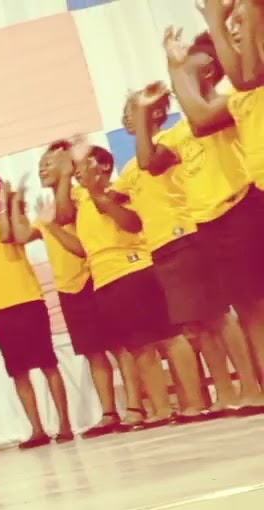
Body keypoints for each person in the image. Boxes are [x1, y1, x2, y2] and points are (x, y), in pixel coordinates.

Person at [37, 144, 206, 427]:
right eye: (77, 169)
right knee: (138, 347)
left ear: (104, 166)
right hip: (105, 280)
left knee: (169, 338)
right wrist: (52, 224)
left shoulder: (118, 190)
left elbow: (133, 224)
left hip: (135, 270)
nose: (79, 172)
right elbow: (76, 239)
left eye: (84, 165)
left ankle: (195, 404)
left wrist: (97, 194)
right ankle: (162, 410)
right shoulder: (82, 202)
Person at [121, 84, 263, 412]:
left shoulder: (194, 125)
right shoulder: (159, 145)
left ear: (158, 111)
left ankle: (250, 386)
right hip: (167, 243)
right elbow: (145, 161)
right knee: (198, 325)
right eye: (129, 112)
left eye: (135, 110)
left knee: (221, 316)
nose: (130, 117)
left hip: (188, 234)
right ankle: (226, 393)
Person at [10, 143, 145, 432]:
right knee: (93, 352)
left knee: (120, 347)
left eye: (49, 162)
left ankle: (135, 407)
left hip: (92, 280)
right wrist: (14, 199)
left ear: (69, 165)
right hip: (67, 289)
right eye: (41, 165)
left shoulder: (79, 195)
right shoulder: (48, 206)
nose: (42, 168)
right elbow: (21, 234)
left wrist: (65, 176)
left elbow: (66, 218)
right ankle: (109, 413)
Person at [165, 23, 264, 408]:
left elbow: (201, 120)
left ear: (208, 69)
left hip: (242, 205)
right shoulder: (234, 99)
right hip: (213, 221)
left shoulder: (234, 96)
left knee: (256, 305)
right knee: (247, 306)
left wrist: (176, 68)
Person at [0, 173, 74, 446]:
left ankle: (65, 425)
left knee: (47, 363)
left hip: (28, 300)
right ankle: (37, 429)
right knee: (18, 371)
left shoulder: (17, 221)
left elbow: (7, 235)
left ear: (0, 193)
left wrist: (9, 203)